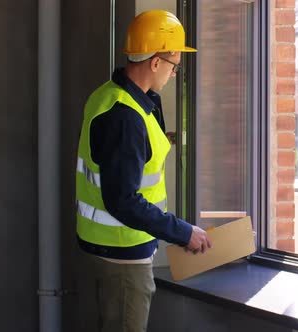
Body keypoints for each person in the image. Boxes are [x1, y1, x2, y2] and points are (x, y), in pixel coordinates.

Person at [75, 10, 211, 332]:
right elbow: (123, 200)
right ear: (155, 62)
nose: (175, 73)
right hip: (123, 253)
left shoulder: (111, 95)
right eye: (174, 65)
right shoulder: (126, 118)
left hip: (106, 245)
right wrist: (182, 232)